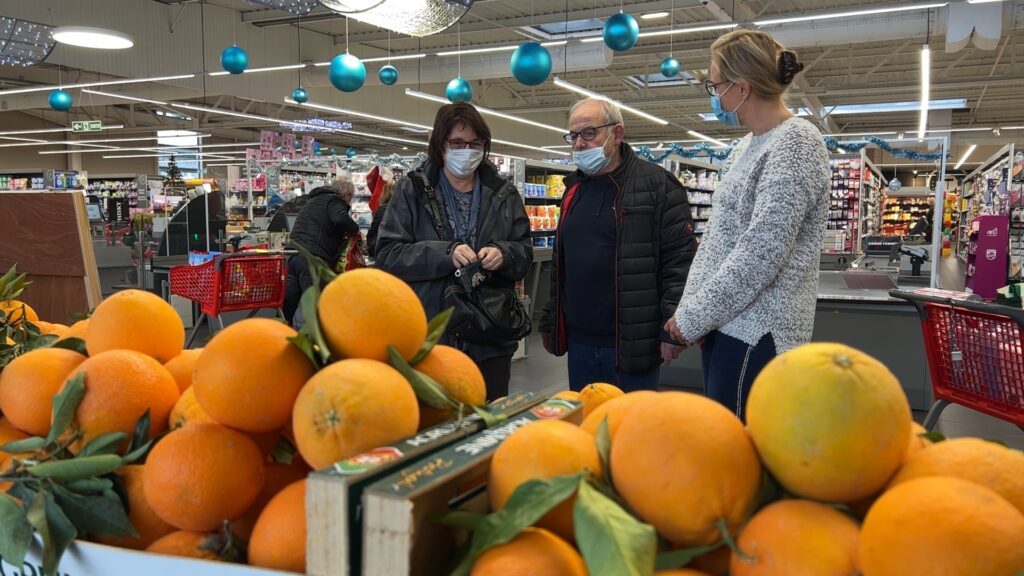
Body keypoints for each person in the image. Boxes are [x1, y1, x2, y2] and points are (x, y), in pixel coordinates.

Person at [665, 30, 830, 421]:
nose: (713, 93)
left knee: (743, 457)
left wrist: (690, 321)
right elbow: (718, 242)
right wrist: (691, 314)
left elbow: (762, 253)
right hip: (726, 326)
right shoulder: (745, 146)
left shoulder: (797, 142)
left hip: (760, 334)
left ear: (740, 88)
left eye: (714, 84)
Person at [539, 98, 698, 392]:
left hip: (632, 343)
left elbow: (680, 261)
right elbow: (564, 262)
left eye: (589, 133)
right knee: (587, 429)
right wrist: (552, 318)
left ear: (618, 134)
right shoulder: (573, 190)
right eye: (573, 136)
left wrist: (673, 328)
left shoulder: (658, 185)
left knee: (630, 431)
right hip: (580, 343)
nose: (579, 144)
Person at [376, 102, 533, 400]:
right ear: (440, 144)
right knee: (438, 428)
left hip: (491, 333)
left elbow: (523, 251)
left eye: (475, 144)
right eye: (457, 143)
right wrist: (445, 253)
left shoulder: (504, 193)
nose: (467, 150)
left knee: (490, 421)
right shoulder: (413, 190)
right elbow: (388, 255)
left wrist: (505, 253)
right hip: (433, 335)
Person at [283, 178, 359, 326]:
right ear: (347, 195)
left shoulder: (314, 200)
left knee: (289, 306)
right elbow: (340, 219)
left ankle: (282, 337)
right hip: (312, 258)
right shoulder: (335, 200)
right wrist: (356, 230)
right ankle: (316, 345)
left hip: (292, 255)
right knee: (317, 307)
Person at [366, 181, 394, 258]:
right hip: (396, 249)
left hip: (382, 250)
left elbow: (373, 231)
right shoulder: (401, 209)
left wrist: (368, 245)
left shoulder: (382, 210)